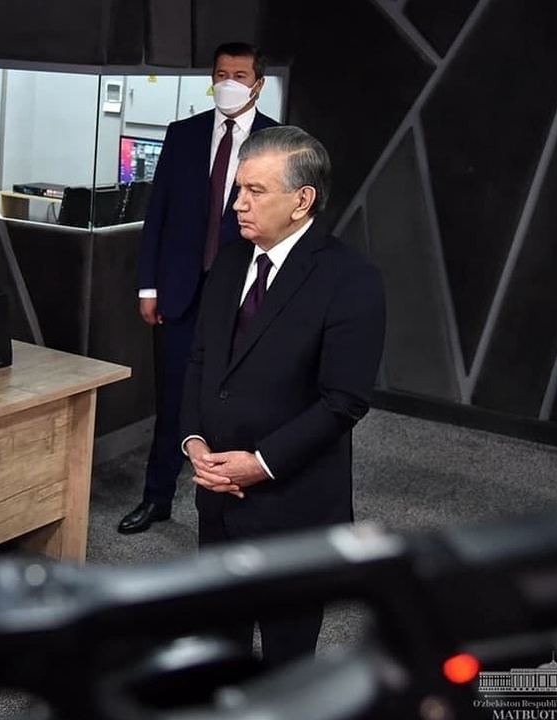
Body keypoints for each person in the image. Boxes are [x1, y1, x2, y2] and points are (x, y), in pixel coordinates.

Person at [181, 126, 386, 665]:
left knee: (286, 659)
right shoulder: (229, 262)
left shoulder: (351, 279)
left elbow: (344, 400)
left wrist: (260, 464)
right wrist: (194, 441)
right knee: (218, 647)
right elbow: (201, 361)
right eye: (238, 189)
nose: (238, 204)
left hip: (292, 504)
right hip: (218, 494)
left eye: (256, 191)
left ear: (302, 201)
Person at [122, 42, 279, 534]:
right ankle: (157, 497)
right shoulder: (183, 134)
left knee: (235, 401)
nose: (228, 83)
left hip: (244, 292)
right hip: (180, 291)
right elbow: (158, 215)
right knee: (173, 398)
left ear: (258, 84)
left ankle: (229, 505)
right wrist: (148, 286)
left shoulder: (277, 142)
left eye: (239, 75)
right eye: (220, 73)